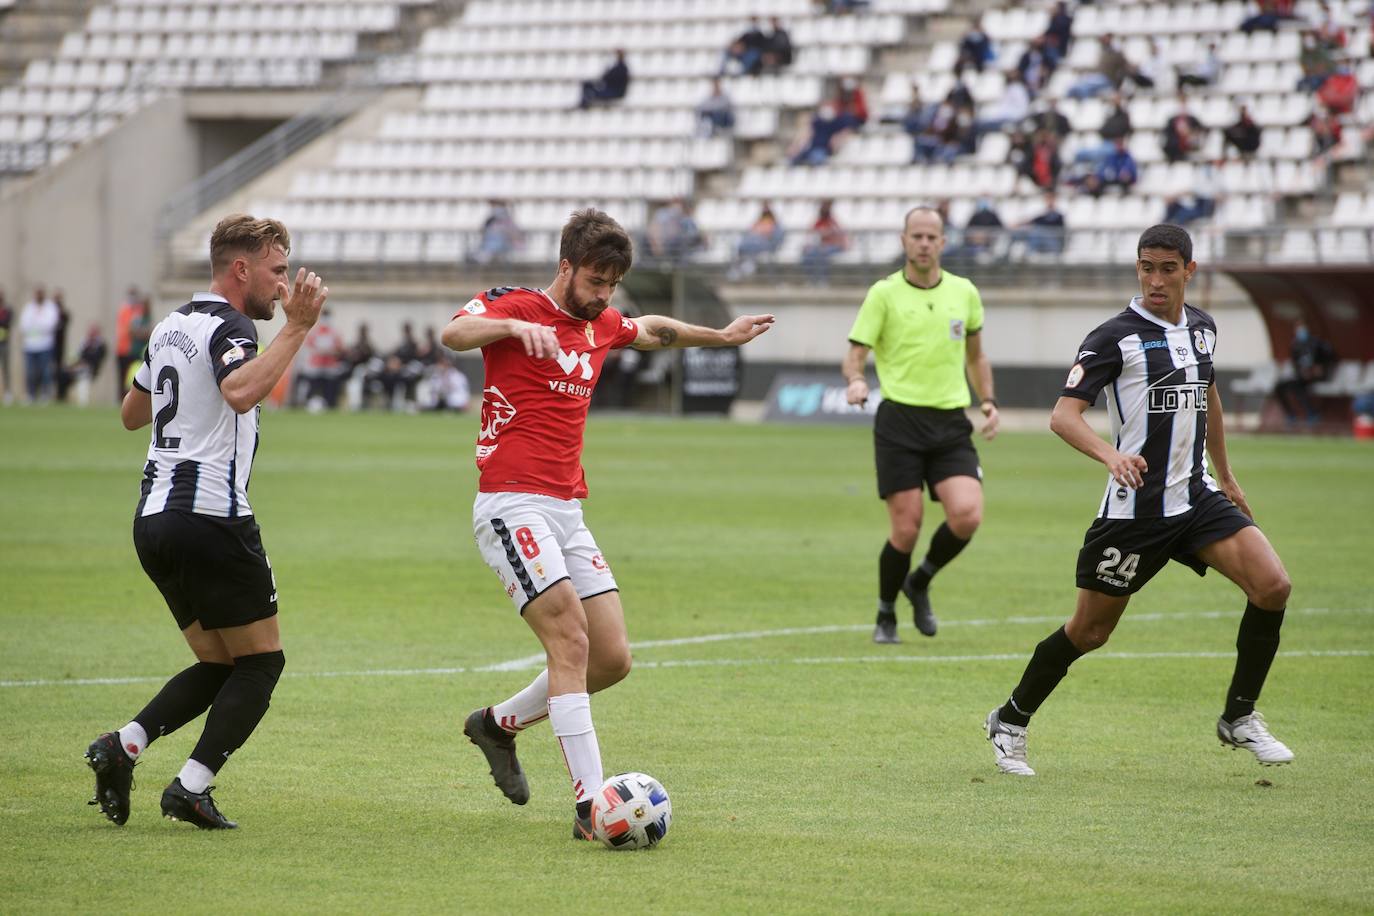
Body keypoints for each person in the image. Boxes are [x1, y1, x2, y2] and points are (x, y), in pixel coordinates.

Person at [442, 208, 774, 840]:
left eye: (613, 285)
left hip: (568, 510)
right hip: (512, 504)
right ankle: (591, 807)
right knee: (570, 642)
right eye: (595, 281)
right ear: (565, 266)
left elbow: (652, 330)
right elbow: (453, 334)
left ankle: (496, 725)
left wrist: (723, 337)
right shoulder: (515, 305)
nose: (603, 295)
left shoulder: (603, 323)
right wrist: (512, 327)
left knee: (612, 658)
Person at [985, 223, 1294, 776]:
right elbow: (1063, 416)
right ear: (1138, 268)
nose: (1156, 280)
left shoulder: (1203, 328)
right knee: (1089, 632)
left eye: (1167, 270)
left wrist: (1227, 476)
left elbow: (1208, 395)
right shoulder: (1114, 337)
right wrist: (1111, 456)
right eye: (1147, 268)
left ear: (1189, 271)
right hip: (1134, 512)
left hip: (1195, 498)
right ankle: (1010, 719)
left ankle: (1239, 716)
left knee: (1273, 586)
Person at [84, 213, 328, 828]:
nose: (283, 285)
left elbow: (132, 413)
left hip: (153, 520)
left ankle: (123, 745)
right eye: (277, 271)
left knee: (221, 663)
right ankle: (190, 787)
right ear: (241, 269)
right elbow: (240, 391)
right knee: (262, 663)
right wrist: (297, 328)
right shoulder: (230, 325)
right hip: (209, 517)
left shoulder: (170, 325)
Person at [842, 207, 999, 644]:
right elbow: (855, 353)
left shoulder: (964, 292)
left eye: (932, 237)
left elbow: (976, 356)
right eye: (917, 236)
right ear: (904, 240)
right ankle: (885, 612)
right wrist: (856, 381)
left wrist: (988, 401)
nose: (925, 243)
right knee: (906, 528)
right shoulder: (884, 294)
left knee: (967, 515)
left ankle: (920, 581)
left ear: (943, 242)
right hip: (900, 421)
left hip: (950, 421)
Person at [1273, 321, 1336, 427]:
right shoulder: (1295, 345)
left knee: (1296, 385)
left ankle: (1312, 413)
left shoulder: (1317, 343)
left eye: (1302, 329)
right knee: (1279, 387)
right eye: (1298, 329)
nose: (1300, 332)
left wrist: (1320, 367)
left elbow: (1330, 356)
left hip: (1317, 376)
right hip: (1302, 376)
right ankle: (1290, 415)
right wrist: (1300, 371)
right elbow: (1295, 363)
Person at [20, 285, 59, 404]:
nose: (39, 295)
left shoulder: (50, 307)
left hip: (45, 345)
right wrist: (37, 324)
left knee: (45, 371)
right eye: (37, 293)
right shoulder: (29, 307)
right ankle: (30, 394)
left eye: (40, 293)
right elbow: (24, 325)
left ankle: (44, 394)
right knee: (30, 372)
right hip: (30, 345)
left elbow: (50, 324)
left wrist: (36, 324)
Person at [730, 202, 785, 279]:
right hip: (751, 244)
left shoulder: (775, 224)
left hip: (764, 245)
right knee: (740, 246)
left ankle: (747, 267)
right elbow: (750, 231)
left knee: (750, 248)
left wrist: (763, 233)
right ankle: (742, 267)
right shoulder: (759, 222)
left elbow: (773, 237)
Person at [801, 199, 849, 284]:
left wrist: (828, 235)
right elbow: (811, 233)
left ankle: (822, 280)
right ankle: (811, 280)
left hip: (836, 246)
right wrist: (808, 246)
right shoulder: (820, 221)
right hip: (822, 247)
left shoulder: (833, 221)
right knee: (808, 255)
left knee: (822, 254)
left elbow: (840, 237)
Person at [474, 200, 524, 265]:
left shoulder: (505, 219)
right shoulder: (492, 220)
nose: (495, 209)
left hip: (503, 245)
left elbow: (513, 234)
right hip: (492, 246)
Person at [71, 322, 109, 406]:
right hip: (80, 367)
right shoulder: (84, 343)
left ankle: (83, 401)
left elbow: (98, 358)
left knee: (83, 376)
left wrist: (86, 363)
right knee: (63, 373)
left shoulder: (101, 345)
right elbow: (79, 356)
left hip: (92, 368)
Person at [0, 288, 11, 404]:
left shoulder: (7, 310)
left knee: (5, 369)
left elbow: (5, 323)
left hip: (4, 343)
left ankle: (7, 393)